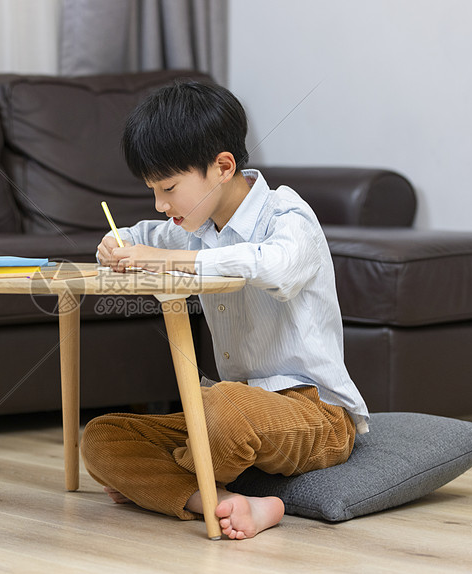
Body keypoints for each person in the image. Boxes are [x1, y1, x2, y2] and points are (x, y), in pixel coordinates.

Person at [83, 79, 370, 540]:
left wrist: (172, 260)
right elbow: (139, 237)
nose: (161, 205)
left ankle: (166, 483)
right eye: (153, 190)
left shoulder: (287, 217)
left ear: (222, 167)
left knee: (218, 409)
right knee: (101, 436)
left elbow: (273, 266)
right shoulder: (195, 227)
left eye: (169, 188)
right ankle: (227, 500)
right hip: (231, 412)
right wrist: (114, 246)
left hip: (316, 414)